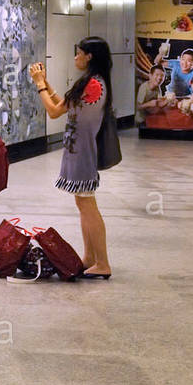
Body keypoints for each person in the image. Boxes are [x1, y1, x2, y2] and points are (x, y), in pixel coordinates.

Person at [29, 37, 114, 279]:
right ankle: (90, 258)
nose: (75, 57)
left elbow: (54, 112)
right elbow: (63, 104)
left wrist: (39, 85)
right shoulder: (93, 82)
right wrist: (45, 83)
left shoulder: (93, 84)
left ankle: (103, 262)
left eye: (78, 53)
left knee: (88, 206)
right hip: (79, 149)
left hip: (82, 152)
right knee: (83, 204)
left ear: (89, 56)